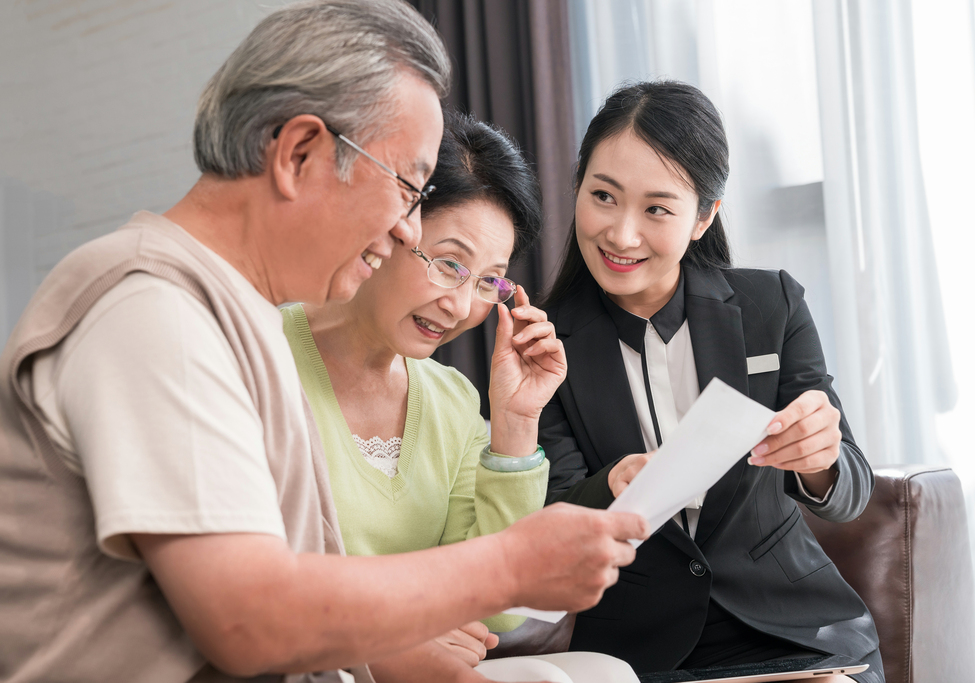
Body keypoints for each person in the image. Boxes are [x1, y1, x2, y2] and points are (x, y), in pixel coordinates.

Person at [0, 4, 648, 682]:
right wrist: (511, 563)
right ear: (299, 153)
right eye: (406, 187)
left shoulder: (229, 317)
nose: (405, 230)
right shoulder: (151, 309)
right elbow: (251, 619)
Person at [538, 80, 884, 683]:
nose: (621, 234)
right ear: (577, 189)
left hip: (797, 634)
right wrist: (610, 488)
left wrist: (820, 460)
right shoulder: (544, 347)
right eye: (603, 196)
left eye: (657, 209)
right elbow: (550, 514)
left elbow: (850, 492)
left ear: (703, 218)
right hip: (641, 654)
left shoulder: (769, 305)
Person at [283, 110, 640, 683]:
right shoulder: (260, 354)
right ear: (390, 227)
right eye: (450, 264)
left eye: (487, 282)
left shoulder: (450, 399)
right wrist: (397, 634)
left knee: (605, 673)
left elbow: (497, 610)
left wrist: (517, 421)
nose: (460, 305)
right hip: (312, 663)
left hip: (421, 665)